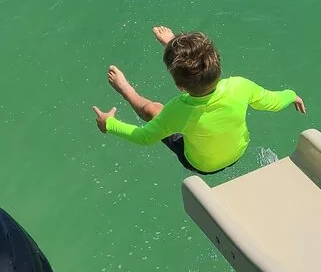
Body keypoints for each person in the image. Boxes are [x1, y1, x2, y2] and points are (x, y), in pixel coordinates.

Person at [92, 25, 306, 175]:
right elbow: (272, 101)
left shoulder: (178, 110)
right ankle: (176, 48)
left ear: (179, 86)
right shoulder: (240, 86)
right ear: (218, 65)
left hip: (201, 166)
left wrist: (108, 123)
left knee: (153, 110)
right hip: (238, 152)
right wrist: (291, 95)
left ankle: (126, 89)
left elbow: (144, 137)